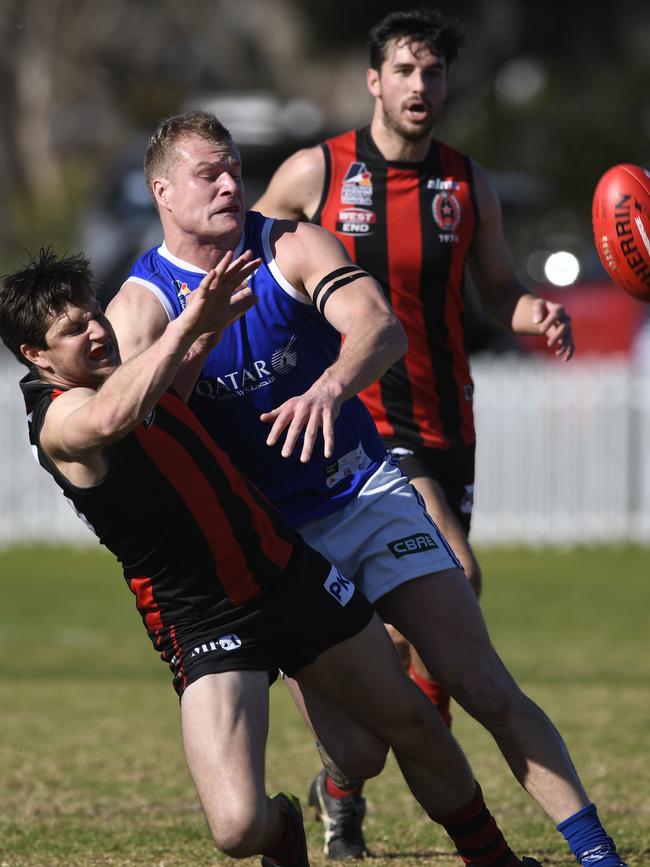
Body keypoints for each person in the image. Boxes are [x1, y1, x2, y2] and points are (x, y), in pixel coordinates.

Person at [105, 110, 627, 867]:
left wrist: (329, 388)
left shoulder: (287, 244)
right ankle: (330, 793)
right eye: (206, 173)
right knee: (361, 750)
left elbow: (380, 327)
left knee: (481, 681)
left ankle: (596, 852)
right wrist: (199, 333)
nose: (228, 183)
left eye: (232, 168)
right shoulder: (141, 305)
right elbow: (148, 427)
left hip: (364, 493)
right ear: (162, 191)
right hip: (280, 547)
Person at [0, 248, 546, 867]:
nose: (97, 331)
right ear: (36, 357)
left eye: (94, 314)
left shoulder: (126, 376)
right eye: (73, 330)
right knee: (236, 830)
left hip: (287, 575)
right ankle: (285, 828)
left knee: (408, 728)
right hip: (203, 620)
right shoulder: (61, 418)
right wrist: (185, 324)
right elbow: (114, 415)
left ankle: (496, 859)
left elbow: (165, 393)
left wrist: (206, 332)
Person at [254, 3, 579, 853]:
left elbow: (496, 286)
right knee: (458, 576)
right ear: (373, 80)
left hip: (446, 422)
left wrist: (534, 310)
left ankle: (344, 776)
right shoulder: (313, 174)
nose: (420, 85)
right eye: (404, 70)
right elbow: (250, 270)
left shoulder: (468, 182)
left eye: (433, 72)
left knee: (401, 627)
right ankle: (418, 754)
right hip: (355, 417)